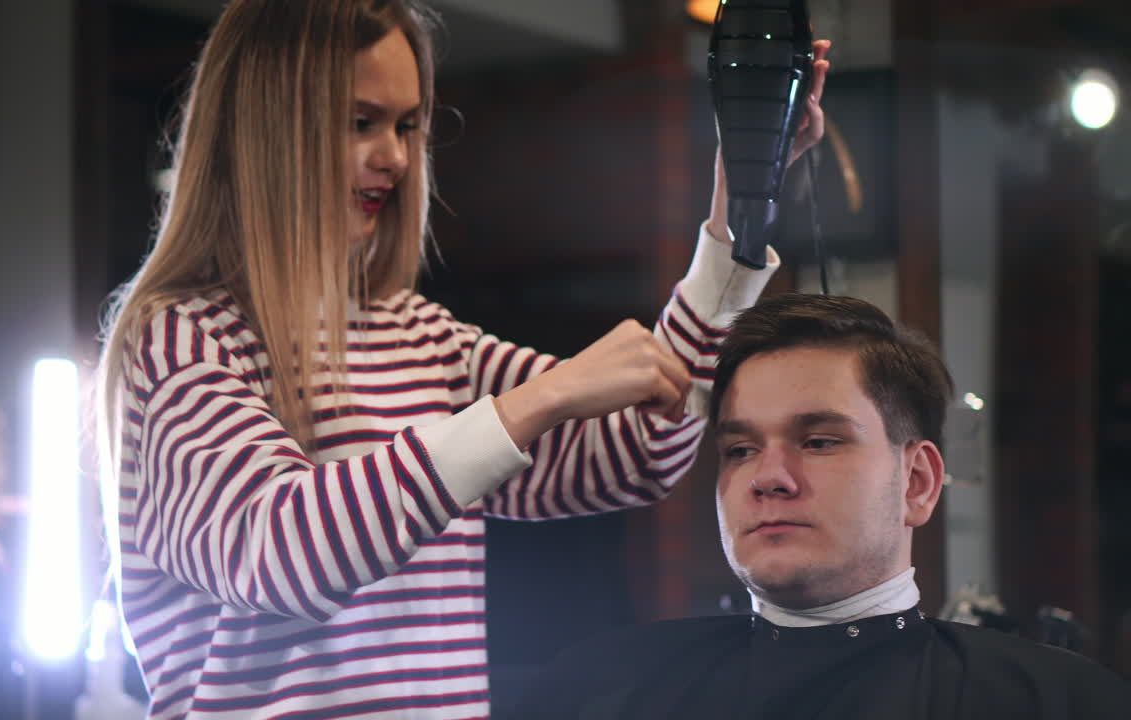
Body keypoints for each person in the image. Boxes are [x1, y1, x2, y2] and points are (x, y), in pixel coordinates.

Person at [94, 1, 830, 718]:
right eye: (360, 122)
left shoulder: (421, 336)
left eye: (407, 126)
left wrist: (736, 213)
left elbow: (638, 448)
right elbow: (278, 552)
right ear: (265, 131)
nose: (394, 156)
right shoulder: (182, 338)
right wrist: (534, 401)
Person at [508, 293, 1131, 719]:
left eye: (820, 441)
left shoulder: (1059, 704)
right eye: (741, 448)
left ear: (917, 482)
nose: (768, 477)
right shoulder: (600, 693)